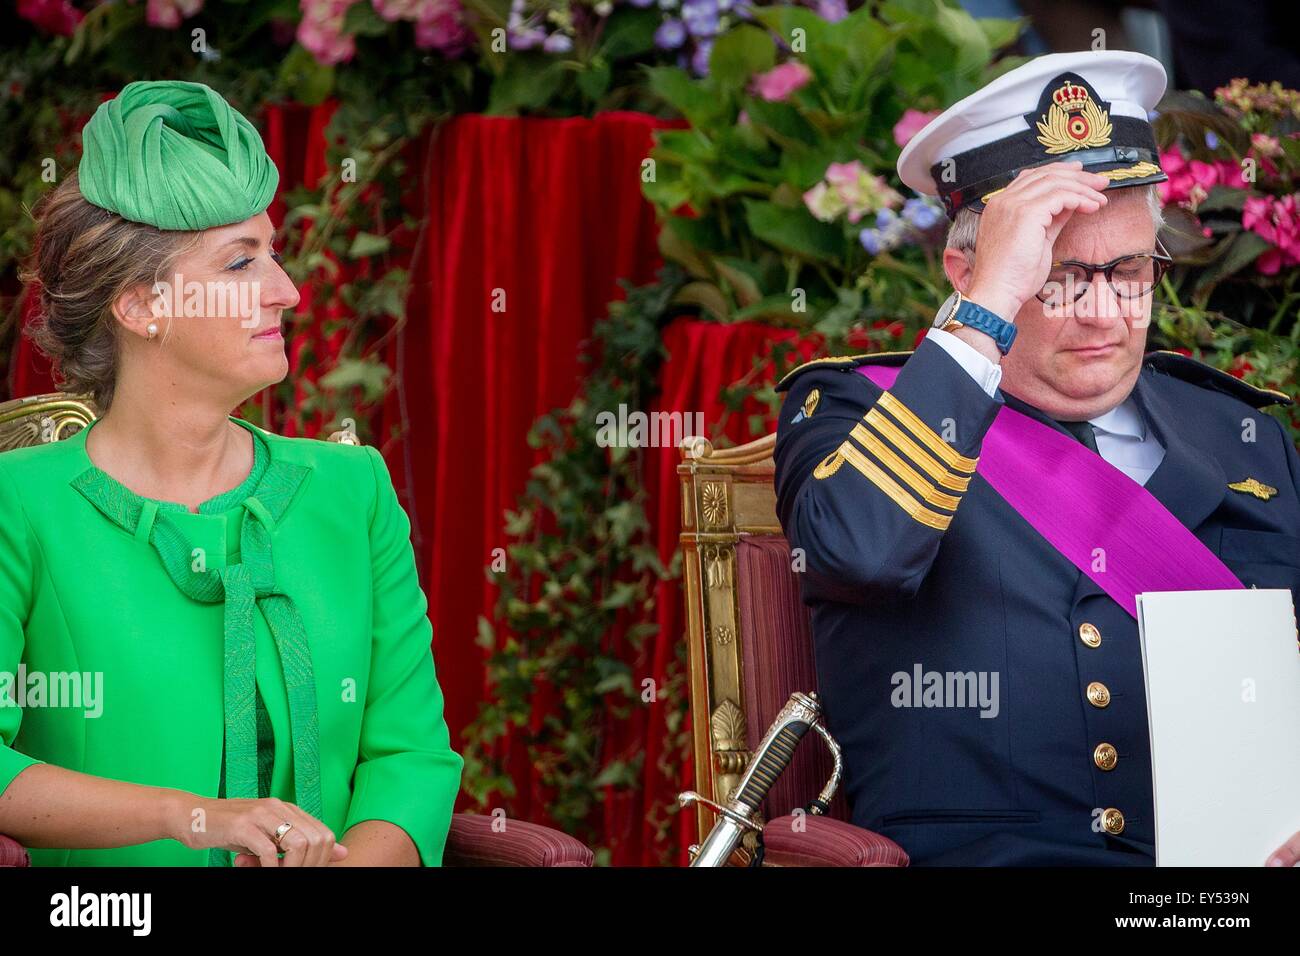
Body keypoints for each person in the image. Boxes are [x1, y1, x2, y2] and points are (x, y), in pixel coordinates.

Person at [774, 51, 1300, 866]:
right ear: (967, 272)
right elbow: (860, 552)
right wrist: (985, 310)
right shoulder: (860, 412)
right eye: (1056, 278)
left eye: (1128, 272)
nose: (1103, 315)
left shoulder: (1241, 436)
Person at [0, 80, 463, 866]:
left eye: (273, 254)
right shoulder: (22, 506)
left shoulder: (353, 493)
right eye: (241, 262)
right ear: (144, 306)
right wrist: (194, 816)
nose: (286, 290)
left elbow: (410, 758)